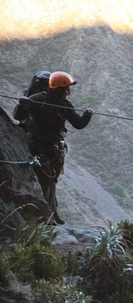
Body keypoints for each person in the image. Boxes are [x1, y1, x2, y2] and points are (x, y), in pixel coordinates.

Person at [13, 71, 94, 225]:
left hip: (53, 149)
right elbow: (18, 116)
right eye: (66, 89)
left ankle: (52, 212)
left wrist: (87, 116)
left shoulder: (64, 104)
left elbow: (78, 123)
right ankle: (48, 216)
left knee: (51, 181)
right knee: (45, 181)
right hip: (38, 147)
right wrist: (22, 105)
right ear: (58, 89)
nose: (68, 92)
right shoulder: (38, 100)